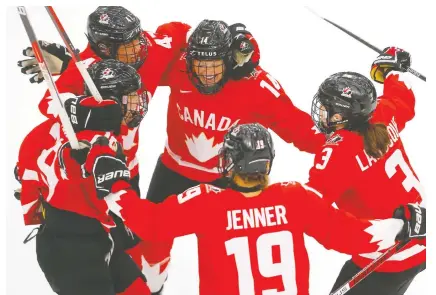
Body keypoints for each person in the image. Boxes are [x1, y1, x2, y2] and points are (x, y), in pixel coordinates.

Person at [80, 122, 425, 295]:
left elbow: (151, 225)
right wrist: (402, 225)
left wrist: (115, 187)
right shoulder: (296, 198)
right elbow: (354, 237)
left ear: (230, 162)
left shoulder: (205, 201)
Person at [16, 59, 150, 295]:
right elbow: (58, 164)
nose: (137, 104)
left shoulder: (94, 128)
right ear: (110, 101)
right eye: (130, 97)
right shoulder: (85, 140)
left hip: (98, 235)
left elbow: (27, 170)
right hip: (70, 252)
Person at [307, 47, 426, 295]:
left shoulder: (337, 154)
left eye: (328, 108)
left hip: (386, 257)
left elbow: (310, 207)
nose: (322, 113)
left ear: (342, 115)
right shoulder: (383, 113)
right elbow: (404, 96)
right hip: (423, 234)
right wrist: (392, 69)